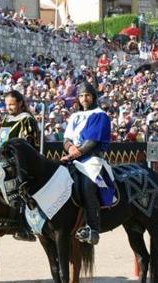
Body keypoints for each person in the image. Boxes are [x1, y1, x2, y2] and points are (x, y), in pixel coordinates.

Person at [61, 82, 113, 245]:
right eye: (81, 95)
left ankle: (93, 229)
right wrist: (70, 149)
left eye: (87, 95)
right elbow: (66, 139)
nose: (84, 98)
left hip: (91, 160)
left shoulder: (100, 115)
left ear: (93, 97)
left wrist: (75, 153)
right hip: (73, 158)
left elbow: (92, 141)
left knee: (88, 184)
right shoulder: (74, 116)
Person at [0, 90, 41, 242]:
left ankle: (25, 225)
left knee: (20, 186)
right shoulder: (6, 119)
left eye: (12, 104)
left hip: (20, 162)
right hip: (2, 159)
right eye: (7, 104)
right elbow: (0, 140)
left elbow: (31, 145)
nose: (9, 107)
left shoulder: (27, 120)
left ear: (20, 103)